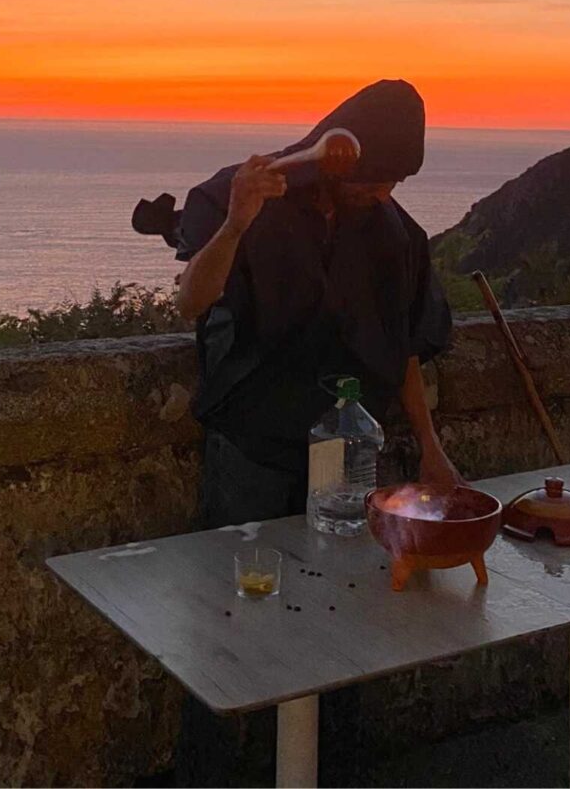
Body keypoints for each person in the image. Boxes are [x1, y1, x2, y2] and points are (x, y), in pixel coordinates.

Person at [174, 79, 462, 529]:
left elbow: (403, 343)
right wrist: (234, 226)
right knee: (243, 574)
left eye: (395, 181)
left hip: (342, 447)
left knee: (330, 564)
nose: (384, 193)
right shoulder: (243, 196)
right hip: (254, 446)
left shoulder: (394, 234)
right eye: (375, 178)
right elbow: (191, 301)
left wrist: (430, 445)